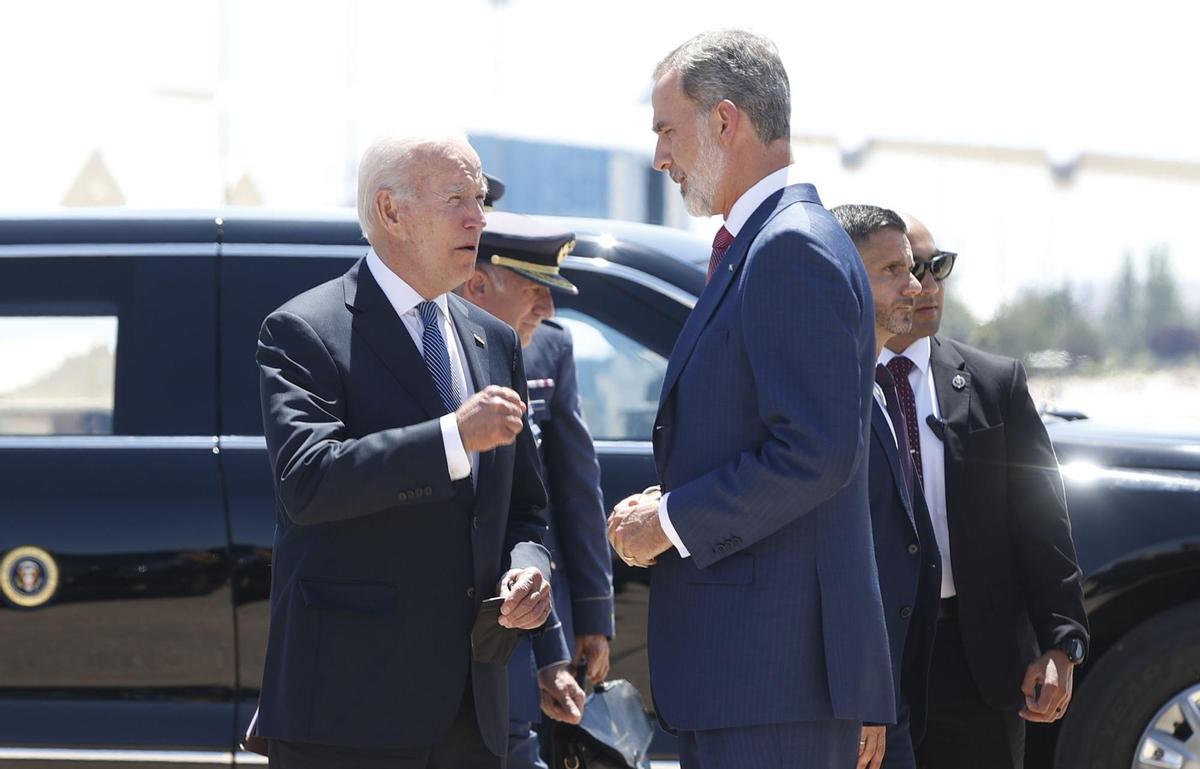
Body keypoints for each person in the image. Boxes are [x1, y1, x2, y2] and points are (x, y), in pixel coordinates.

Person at [606, 30, 894, 769]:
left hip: (772, 683)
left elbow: (816, 451)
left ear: (725, 121)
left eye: (667, 130)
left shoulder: (788, 248)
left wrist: (669, 520)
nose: (660, 157)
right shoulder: (769, 243)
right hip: (755, 681)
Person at [254, 135, 553, 769]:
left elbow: (525, 508)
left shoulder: (494, 340)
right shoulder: (306, 330)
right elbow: (308, 481)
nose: (478, 217)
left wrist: (531, 570)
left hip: (474, 715)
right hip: (348, 716)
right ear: (391, 211)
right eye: (456, 199)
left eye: (479, 199)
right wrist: (452, 437)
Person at [880, 213, 1089, 769]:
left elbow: (1043, 522)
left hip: (979, 665)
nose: (926, 286)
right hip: (874, 663)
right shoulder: (835, 386)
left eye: (937, 267)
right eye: (907, 269)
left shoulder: (995, 384)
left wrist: (1061, 643)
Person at [457, 209, 615, 769]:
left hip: (518, 635)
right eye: (533, 289)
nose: (549, 308)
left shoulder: (540, 347)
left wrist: (580, 624)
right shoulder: (427, 355)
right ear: (478, 283)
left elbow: (559, 498)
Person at [833, 205, 942, 769]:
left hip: (888, 694)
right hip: (855, 706)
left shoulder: (871, 385)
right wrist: (863, 694)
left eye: (915, 268)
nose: (916, 286)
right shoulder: (832, 394)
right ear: (842, 276)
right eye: (893, 271)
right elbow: (836, 558)